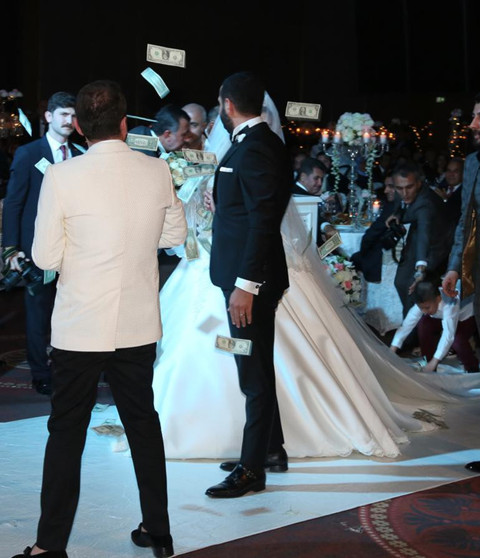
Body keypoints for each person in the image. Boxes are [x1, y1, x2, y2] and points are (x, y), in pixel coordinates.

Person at [152, 97, 480, 472]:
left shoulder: (248, 153)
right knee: (234, 358)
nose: (195, 133)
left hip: (244, 272)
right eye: (190, 127)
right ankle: (256, 443)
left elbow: (257, 217)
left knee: (258, 358)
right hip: (217, 264)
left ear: (222, 116)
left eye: (197, 125)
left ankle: (264, 446)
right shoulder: (214, 157)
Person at [10, 80, 187, 558]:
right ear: (125, 124)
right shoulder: (156, 170)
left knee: (66, 432)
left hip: (80, 325)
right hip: (137, 323)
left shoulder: (62, 176)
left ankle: (50, 545)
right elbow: (174, 234)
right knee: (142, 424)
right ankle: (159, 532)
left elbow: (45, 256)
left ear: (81, 128)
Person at [205, 71, 292, 498]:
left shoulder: (256, 146)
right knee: (253, 365)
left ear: (227, 104)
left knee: (252, 375)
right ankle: (268, 449)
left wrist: (246, 285)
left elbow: (263, 220)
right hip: (246, 276)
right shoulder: (254, 143)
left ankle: (252, 470)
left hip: (248, 282)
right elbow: (250, 207)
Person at [1, 91, 81, 396]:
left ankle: (68, 367)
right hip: (37, 248)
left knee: (70, 312)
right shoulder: (29, 153)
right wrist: (11, 248)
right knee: (37, 313)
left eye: (73, 115)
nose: (69, 121)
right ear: (49, 117)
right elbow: (14, 203)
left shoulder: (81, 154)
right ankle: (40, 371)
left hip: (74, 249)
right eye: (63, 114)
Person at [442, 92, 480, 473]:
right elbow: (466, 219)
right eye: (473, 115)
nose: (472, 125)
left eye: (479, 117)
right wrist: (454, 266)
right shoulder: (472, 163)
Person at [388, 160, 450, 319]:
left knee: (412, 286)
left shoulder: (425, 204)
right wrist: (397, 214)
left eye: (409, 187)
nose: (404, 193)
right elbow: (400, 203)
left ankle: (412, 330)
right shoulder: (401, 191)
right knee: (400, 282)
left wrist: (420, 269)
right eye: (399, 188)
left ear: (419, 183)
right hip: (416, 239)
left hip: (436, 245)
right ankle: (410, 323)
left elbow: (424, 233)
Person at [390, 279, 479, 372]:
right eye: (421, 308)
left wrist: (435, 361)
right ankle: (427, 361)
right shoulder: (424, 301)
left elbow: (448, 334)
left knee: (457, 340)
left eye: (427, 308)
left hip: (465, 317)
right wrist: (393, 348)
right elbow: (407, 324)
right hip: (443, 316)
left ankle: (472, 368)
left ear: (438, 298)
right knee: (424, 324)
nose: (424, 311)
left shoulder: (450, 304)